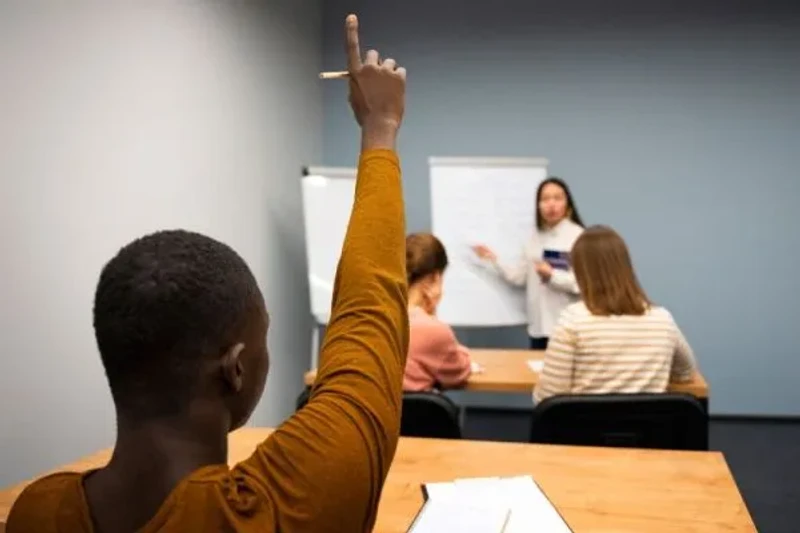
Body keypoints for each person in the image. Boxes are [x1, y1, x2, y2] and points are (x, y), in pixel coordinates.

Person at [8, 14, 409, 533]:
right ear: (235, 367)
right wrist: (381, 128)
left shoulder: (34, 512)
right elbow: (369, 315)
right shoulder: (278, 508)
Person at [533, 225, 698, 403]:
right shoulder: (662, 319)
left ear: (581, 271)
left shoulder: (573, 320)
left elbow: (547, 397)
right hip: (646, 430)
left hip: (584, 429)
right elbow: (686, 373)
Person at [473, 177, 584, 350]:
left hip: (566, 328)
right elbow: (519, 277)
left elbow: (582, 284)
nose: (551, 204)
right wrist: (493, 260)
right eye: (545, 199)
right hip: (538, 328)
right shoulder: (534, 238)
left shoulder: (578, 236)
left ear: (568, 205)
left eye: (557, 198)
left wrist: (552, 276)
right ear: (538, 206)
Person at [403, 232, 472, 392]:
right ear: (435, 277)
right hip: (416, 417)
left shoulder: (378, 319)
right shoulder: (435, 330)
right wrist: (431, 315)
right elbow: (460, 373)